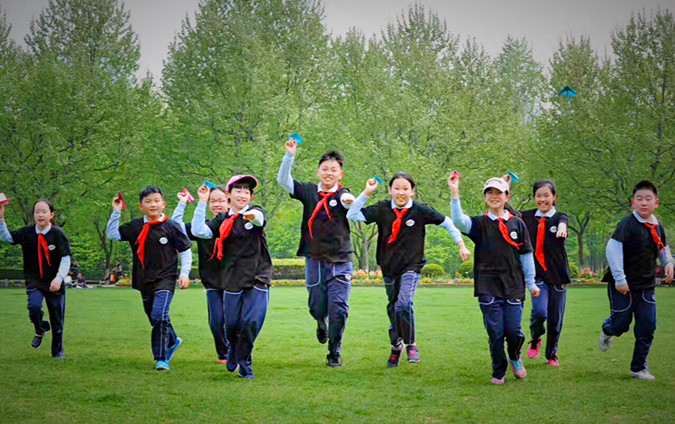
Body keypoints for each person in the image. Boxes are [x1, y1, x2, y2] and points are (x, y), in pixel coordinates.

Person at [347, 172, 471, 367]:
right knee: (393, 306)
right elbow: (352, 214)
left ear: (412, 191)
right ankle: (396, 345)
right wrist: (367, 192)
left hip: (412, 266)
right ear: (390, 190)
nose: (401, 192)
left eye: (405, 189)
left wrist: (461, 245)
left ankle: (411, 344)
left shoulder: (421, 210)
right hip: (388, 266)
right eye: (396, 188)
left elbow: (447, 222)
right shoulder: (382, 209)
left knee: (404, 303)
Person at [449, 174, 539, 384]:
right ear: (485, 197)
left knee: (514, 332)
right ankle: (499, 371)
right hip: (488, 286)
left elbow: (526, 255)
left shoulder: (517, 224)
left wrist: (531, 283)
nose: (494, 196)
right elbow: (459, 221)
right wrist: (454, 192)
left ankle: (515, 356)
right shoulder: (479, 224)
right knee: (495, 333)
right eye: (489, 192)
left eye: (498, 192)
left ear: (507, 196)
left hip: (513, 286)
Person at [277, 138, 355, 367]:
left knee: (339, 308)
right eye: (325, 169)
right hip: (315, 258)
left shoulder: (343, 194)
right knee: (316, 305)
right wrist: (289, 156)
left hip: (341, 259)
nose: (329, 173)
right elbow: (283, 181)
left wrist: (350, 201)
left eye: (333, 170)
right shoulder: (309, 191)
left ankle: (334, 352)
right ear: (318, 171)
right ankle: (321, 322)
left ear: (340, 174)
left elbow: (349, 202)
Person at [191, 175, 272, 379]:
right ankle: (233, 351)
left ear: (251, 196)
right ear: (229, 195)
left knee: (251, 321)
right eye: (238, 191)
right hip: (232, 278)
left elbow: (259, 218)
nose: (242, 195)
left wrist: (249, 215)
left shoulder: (255, 212)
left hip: (258, 275)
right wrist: (202, 202)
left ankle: (245, 362)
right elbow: (198, 231)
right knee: (232, 324)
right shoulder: (222, 219)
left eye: (246, 192)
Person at [106, 186, 192, 371]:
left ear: (163, 204)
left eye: (156, 201)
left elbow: (185, 250)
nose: (153, 205)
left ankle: (162, 358)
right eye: (148, 202)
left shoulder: (171, 227)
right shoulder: (135, 226)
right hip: (144, 279)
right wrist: (116, 211)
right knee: (154, 317)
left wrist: (184, 274)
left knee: (159, 314)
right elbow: (112, 234)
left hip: (166, 279)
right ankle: (172, 340)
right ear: (141, 206)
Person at [599, 180, 674, 380]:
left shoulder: (657, 226)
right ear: (633, 202)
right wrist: (620, 279)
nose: (644, 203)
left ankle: (638, 368)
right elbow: (612, 250)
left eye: (648, 199)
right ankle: (608, 330)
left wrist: (668, 262)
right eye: (639, 199)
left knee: (647, 325)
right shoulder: (627, 224)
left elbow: (663, 247)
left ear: (656, 203)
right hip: (622, 286)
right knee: (621, 324)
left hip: (646, 285)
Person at [507, 178, 571, 367]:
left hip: (558, 276)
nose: (542, 200)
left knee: (555, 318)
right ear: (534, 197)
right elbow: (508, 211)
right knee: (540, 312)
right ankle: (535, 338)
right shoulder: (526, 217)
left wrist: (562, 228)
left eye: (546, 195)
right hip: (537, 276)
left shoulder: (559, 217)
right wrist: (506, 189)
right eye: (538, 196)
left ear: (554, 196)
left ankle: (552, 354)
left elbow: (563, 222)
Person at [0, 199, 71, 357]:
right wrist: (1, 219)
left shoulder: (58, 234)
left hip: (54, 282)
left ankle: (57, 353)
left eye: (44, 211)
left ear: (51, 215)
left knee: (57, 319)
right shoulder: (27, 233)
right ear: (33, 215)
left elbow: (66, 258)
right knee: (34, 308)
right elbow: (7, 237)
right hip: (34, 280)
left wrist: (59, 278)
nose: (40, 215)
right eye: (37, 211)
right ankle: (40, 329)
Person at [171, 185, 230, 363]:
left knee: (235, 321)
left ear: (229, 201)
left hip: (235, 280)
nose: (217, 204)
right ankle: (224, 353)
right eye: (213, 201)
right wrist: (182, 204)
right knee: (216, 321)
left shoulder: (236, 223)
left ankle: (237, 350)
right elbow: (175, 227)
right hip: (212, 281)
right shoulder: (202, 227)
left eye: (221, 200)